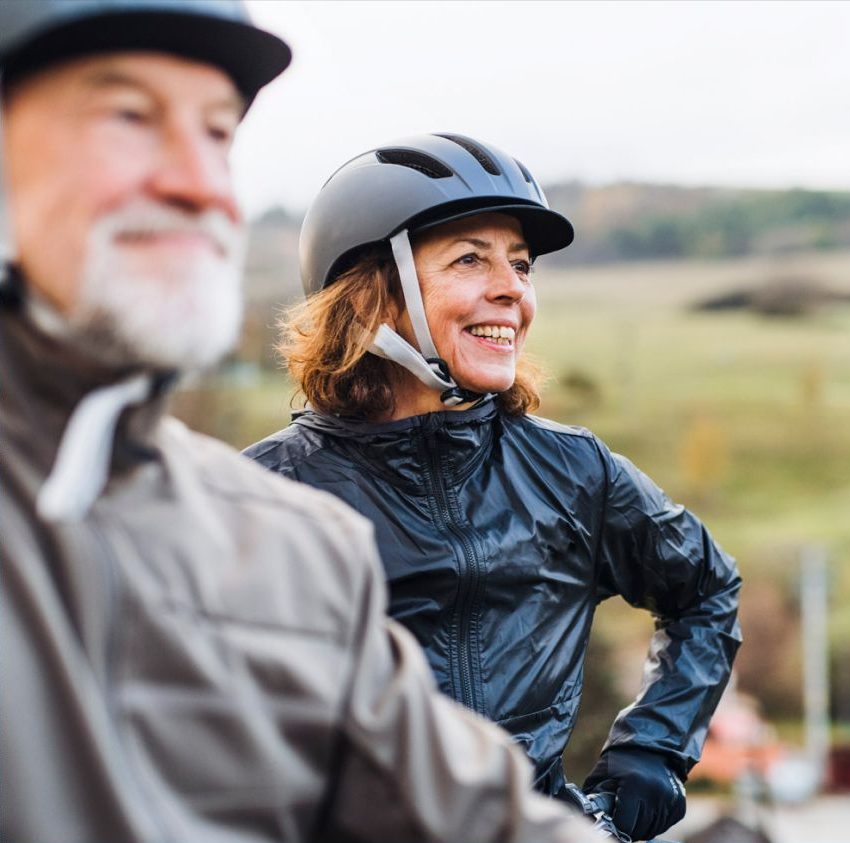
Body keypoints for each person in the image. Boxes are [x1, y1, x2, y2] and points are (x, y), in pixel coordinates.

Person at [0, 4, 601, 842]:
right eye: (129, 117)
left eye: (218, 135)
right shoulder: (286, 484)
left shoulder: (291, 547)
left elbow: (467, 818)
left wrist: (644, 772)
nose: (199, 183)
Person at [245, 133, 744, 842]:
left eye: (519, 264)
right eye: (470, 259)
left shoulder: (575, 473)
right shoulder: (259, 498)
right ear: (372, 295)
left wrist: (651, 753)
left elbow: (706, 589)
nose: (512, 289)